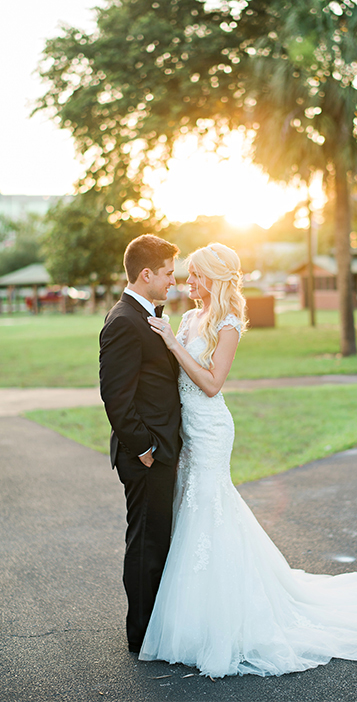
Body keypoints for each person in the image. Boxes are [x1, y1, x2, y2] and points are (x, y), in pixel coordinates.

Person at [139, 243, 357, 677]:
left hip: (212, 428)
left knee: (210, 507)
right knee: (191, 507)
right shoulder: (187, 318)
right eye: (189, 274)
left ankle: (223, 621)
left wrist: (172, 345)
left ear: (216, 278)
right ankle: (195, 614)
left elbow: (212, 383)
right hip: (187, 430)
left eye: (197, 275)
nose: (189, 281)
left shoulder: (229, 322)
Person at [99, 234, 182, 654]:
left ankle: (154, 627)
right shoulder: (123, 321)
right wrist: (145, 448)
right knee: (147, 543)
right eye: (168, 273)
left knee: (158, 539)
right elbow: (116, 396)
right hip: (147, 456)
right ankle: (143, 634)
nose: (174, 280)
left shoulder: (145, 314)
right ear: (146, 273)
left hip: (160, 452)